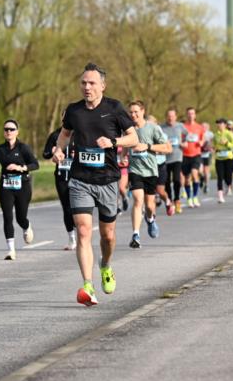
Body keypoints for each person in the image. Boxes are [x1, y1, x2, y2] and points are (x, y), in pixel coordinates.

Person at [51, 63, 138, 306]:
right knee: (83, 231)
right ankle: (87, 286)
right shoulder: (73, 110)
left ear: (102, 85)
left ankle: (106, 265)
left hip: (108, 180)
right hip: (80, 180)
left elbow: (134, 138)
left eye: (91, 83)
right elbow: (65, 134)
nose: (86, 87)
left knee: (108, 236)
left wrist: (113, 141)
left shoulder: (114, 108)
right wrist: (59, 149)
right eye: (83, 83)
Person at [0, 119, 38, 260]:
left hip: (22, 186)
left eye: (11, 129)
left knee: (20, 217)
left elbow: (35, 164)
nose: (8, 132)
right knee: (7, 217)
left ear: (17, 132)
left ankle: (26, 226)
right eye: (6, 129)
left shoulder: (23, 148)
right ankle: (11, 250)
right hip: (6, 186)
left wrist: (20, 168)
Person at [126, 101, 171, 249]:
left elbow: (167, 148)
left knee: (150, 206)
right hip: (134, 170)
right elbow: (126, 145)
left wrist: (148, 146)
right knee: (138, 201)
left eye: (136, 112)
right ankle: (136, 235)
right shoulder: (128, 129)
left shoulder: (153, 128)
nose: (133, 115)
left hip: (151, 171)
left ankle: (150, 219)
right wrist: (123, 157)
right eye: (131, 112)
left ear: (143, 111)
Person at [43, 125, 77, 250]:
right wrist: (51, 151)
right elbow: (45, 154)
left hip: (78, 177)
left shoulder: (80, 133)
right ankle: (72, 238)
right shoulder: (55, 135)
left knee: (78, 207)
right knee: (67, 208)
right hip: (61, 178)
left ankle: (82, 233)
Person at [160, 109, 185, 216]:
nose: (170, 118)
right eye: (169, 116)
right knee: (166, 182)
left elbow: (188, 135)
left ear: (176, 116)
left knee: (176, 179)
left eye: (172, 116)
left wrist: (184, 143)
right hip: (165, 158)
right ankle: (170, 202)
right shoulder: (161, 128)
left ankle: (177, 200)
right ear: (166, 117)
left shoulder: (180, 126)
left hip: (177, 157)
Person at [180, 107, 205, 208]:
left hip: (196, 154)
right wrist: (182, 144)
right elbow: (180, 140)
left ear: (195, 115)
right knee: (187, 179)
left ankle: (195, 197)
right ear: (187, 115)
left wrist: (201, 143)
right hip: (185, 155)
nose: (191, 115)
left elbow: (203, 140)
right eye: (189, 113)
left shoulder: (199, 127)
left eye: (192, 113)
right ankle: (189, 198)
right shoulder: (183, 127)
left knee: (195, 174)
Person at [212, 118, 233, 203]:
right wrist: (213, 148)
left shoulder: (229, 133)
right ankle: (220, 196)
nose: (219, 125)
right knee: (220, 176)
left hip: (228, 157)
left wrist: (227, 143)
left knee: (228, 175)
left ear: (225, 125)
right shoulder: (215, 135)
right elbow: (214, 145)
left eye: (220, 123)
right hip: (219, 157)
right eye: (218, 123)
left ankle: (229, 185)